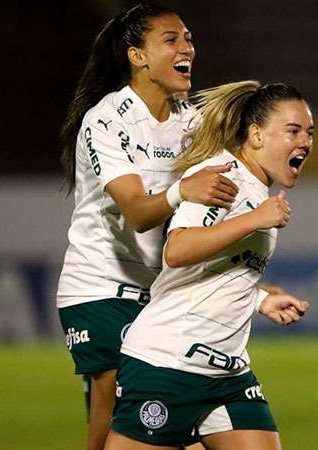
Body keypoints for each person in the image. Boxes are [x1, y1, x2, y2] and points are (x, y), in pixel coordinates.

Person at [56, 3, 239, 450]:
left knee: (175, 429)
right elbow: (138, 212)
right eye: (172, 40)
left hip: (159, 293)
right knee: (116, 404)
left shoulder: (192, 122)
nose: (187, 49)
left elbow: (212, 209)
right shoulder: (107, 119)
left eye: (189, 39)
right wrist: (184, 190)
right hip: (101, 285)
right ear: (138, 56)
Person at [104, 80, 314, 450]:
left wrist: (259, 299)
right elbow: (178, 249)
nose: (305, 142)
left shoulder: (255, 189)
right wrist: (253, 220)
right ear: (256, 135)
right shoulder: (222, 177)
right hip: (167, 365)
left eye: (309, 133)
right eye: (292, 131)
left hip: (227, 373)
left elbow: (218, 270)